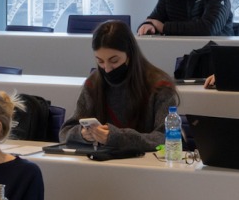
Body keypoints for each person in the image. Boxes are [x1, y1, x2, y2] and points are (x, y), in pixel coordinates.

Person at [62, 19, 175, 150]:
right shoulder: (93, 83)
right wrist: (83, 134)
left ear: (130, 54)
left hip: (148, 165)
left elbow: (166, 137)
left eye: (114, 60)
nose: (107, 69)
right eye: (100, 61)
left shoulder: (160, 86)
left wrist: (117, 137)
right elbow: (65, 132)